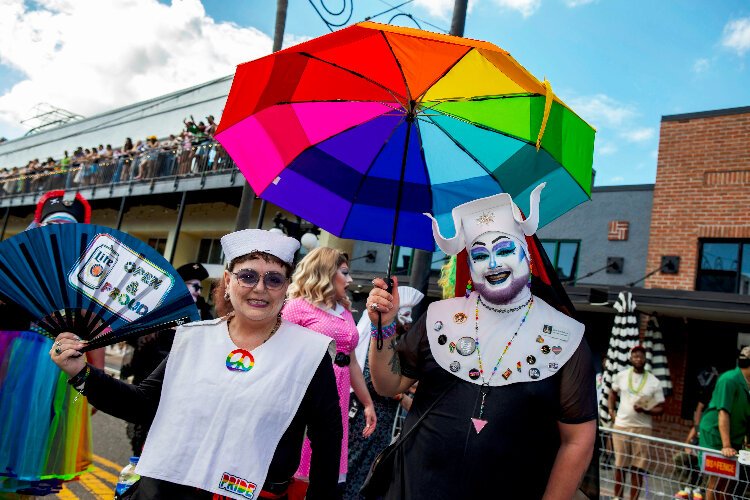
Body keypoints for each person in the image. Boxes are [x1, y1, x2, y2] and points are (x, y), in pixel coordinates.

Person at [49, 229, 342, 499]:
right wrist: (81, 373)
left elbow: (328, 442)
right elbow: (142, 404)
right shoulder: (193, 339)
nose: (260, 288)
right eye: (248, 276)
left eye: (274, 279)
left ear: (286, 287)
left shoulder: (309, 353)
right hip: (169, 491)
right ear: (228, 281)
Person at [367, 184, 597, 499]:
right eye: (479, 254)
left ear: (526, 256)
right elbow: (388, 383)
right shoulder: (439, 318)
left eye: (504, 250)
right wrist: (384, 327)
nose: (492, 263)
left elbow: (578, 440)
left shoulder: (565, 337)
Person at [0, 190, 103, 495]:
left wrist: (95, 377)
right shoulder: (11, 261)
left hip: (55, 370)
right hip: (6, 359)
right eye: (51, 224)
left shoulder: (85, 273)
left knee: (35, 452)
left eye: (64, 226)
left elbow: (93, 325)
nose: (56, 232)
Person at [282, 247, 377, 496]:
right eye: (344, 272)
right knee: (297, 467)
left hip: (340, 395)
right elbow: (281, 356)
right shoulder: (296, 308)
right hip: (305, 393)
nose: (350, 280)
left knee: (327, 468)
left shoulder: (345, 311)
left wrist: (367, 403)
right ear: (325, 272)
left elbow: (352, 361)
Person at [120, 262, 214, 456]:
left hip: (182, 393)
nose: (198, 291)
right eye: (194, 286)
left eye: (200, 288)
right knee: (142, 446)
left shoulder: (204, 316)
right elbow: (136, 342)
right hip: (151, 384)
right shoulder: (160, 310)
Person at [346, 286, 424, 499]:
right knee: (356, 471)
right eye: (405, 314)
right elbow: (370, 379)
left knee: (371, 474)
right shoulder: (377, 344)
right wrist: (400, 392)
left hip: (384, 422)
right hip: (366, 418)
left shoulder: (397, 343)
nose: (408, 321)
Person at [608, 345, 665, 500]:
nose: (638, 359)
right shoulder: (621, 375)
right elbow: (612, 394)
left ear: (645, 358)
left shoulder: (654, 382)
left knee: (638, 468)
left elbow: (661, 408)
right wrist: (612, 412)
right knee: (620, 465)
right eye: (635, 356)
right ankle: (617, 497)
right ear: (630, 358)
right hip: (621, 426)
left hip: (643, 429)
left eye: (641, 356)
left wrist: (646, 410)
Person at [698, 347, 750, 500]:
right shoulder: (730, 379)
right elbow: (723, 412)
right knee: (717, 481)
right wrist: (726, 445)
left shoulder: (747, 384)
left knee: (729, 485)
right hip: (716, 436)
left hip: (735, 436)